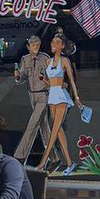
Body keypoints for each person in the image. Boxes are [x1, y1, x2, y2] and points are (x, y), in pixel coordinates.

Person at [35, 33, 83, 176]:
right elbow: (52, 83)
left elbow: (72, 81)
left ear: (62, 46)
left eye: (56, 42)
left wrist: (77, 97)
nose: (53, 45)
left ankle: (43, 162)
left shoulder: (64, 60)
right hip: (52, 95)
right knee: (58, 130)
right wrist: (43, 80)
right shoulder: (49, 61)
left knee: (54, 129)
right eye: (52, 42)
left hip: (61, 97)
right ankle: (69, 162)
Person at [12, 36, 61, 167]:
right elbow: (22, 78)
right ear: (28, 47)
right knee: (44, 127)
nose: (36, 47)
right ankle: (55, 158)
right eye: (33, 45)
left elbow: (54, 77)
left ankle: (19, 157)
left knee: (32, 125)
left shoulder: (45, 58)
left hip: (43, 96)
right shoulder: (25, 59)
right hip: (32, 96)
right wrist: (17, 76)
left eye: (38, 45)